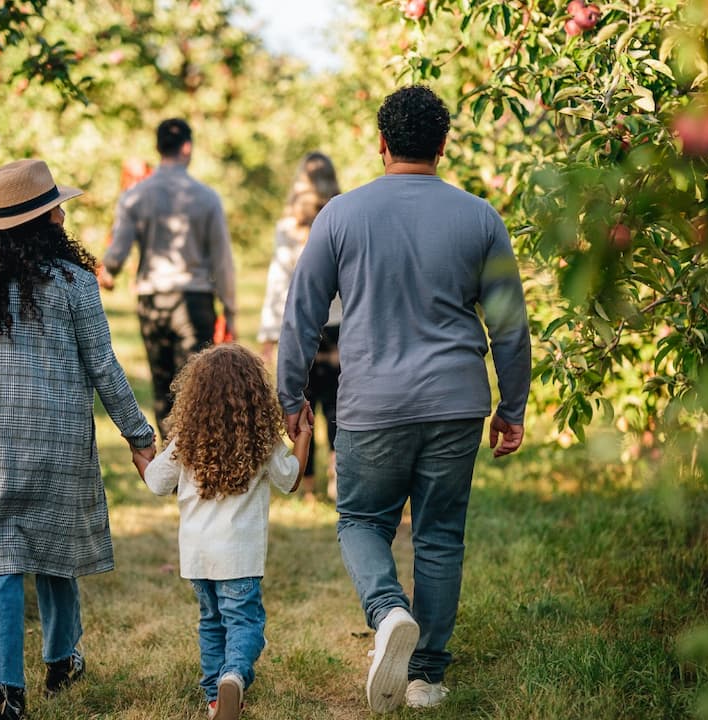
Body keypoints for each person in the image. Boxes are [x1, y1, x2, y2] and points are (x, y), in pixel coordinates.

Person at [277, 85, 531, 713]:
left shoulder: (340, 215)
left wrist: (290, 395)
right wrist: (513, 406)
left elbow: (301, 314)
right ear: (443, 146)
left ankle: (388, 610)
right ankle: (426, 678)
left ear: (382, 143)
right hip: (456, 403)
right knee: (441, 535)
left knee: (363, 521)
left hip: (373, 404)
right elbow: (510, 325)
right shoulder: (480, 218)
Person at [0, 159, 156, 720]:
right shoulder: (73, 282)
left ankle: (3, 687)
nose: (62, 212)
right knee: (57, 547)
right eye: (56, 205)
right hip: (56, 439)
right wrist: (139, 436)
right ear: (45, 217)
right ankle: (61, 658)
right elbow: (104, 366)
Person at [134, 343, 312, 720]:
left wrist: (141, 457)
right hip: (239, 557)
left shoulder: (186, 441)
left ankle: (215, 699)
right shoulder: (261, 441)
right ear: (255, 394)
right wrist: (304, 437)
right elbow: (291, 479)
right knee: (246, 624)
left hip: (197, 557)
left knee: (212, 623)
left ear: (195, 396)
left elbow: (155, 482)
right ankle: (233, 676)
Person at [99, 118, 237, 441]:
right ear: (186, 147)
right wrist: (230, 309)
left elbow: (117, 252)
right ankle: (197, 460)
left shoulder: (134, 197)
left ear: (159, 147)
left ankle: (173, 465)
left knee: (163, 383)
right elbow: (222, 260)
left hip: (152, 300)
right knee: (197, 386)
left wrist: (109, 273)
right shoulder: (206, 197)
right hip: (195, 299)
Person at [257, 151, 342, 501]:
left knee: (303, 404)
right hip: (339, 324)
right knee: (338, 406)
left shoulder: (288, 228)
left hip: (302, 325)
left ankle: (307, 487)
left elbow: (279, 282)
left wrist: (269, 332)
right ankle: (338, 476)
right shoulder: (341, 219)